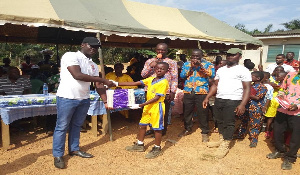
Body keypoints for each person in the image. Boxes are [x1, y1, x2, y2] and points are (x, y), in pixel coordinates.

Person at [52, 37, 114, 169]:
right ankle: (58, 155)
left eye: (96, 47)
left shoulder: (92, 64)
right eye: (91, 46)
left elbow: (97, 84)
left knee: (77, 125)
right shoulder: (71, 56)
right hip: (67, 97)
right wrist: (103, 80)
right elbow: (77, 75)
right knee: (62, 126)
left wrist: (105, 100)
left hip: (84, 99)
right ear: (83, 45)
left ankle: (74, 149)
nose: (94, 49)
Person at [202, 48, 251, 158]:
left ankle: (225, 145)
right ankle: (221, 139)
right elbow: (215, 85)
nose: (229, 57)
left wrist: (242, 104)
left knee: (229, 122)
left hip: (233, 100)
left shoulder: (243, 70)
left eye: (233, 55)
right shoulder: (221, 69)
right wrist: (207, 97)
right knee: (219, 121)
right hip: (219, 99)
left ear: (240, 56)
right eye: (228, 55)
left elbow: (247, 88)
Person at [119, 62, 169, 159]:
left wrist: (141, 104)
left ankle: (157, 148)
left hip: (156, 107)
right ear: (154, 69)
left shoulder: (163, 82)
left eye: (162, 69)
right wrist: (116, 83)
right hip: (148, 106)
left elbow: (157, 97)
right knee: (142, 125)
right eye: (157, 68)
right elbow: (135, 83)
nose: (159, 70)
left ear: (166, 71)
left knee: (157, 128)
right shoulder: (151, 79)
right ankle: (140, 144)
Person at [178, 49, 215, 142]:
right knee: (187, 111)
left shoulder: (208, 64)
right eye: (193, 56)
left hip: (202, 91)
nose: (195, 58)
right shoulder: (186, 64)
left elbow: (211, 75)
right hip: (188, 90)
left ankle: (205, 132)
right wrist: (191, 68)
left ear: (201, 56)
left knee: (203, 111)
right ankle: (187, 128)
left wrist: (200, 66)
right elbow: (182, 76)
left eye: (197, 56)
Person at [266, 70, 300, 170]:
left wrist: (297, 105)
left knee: (295, 136)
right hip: (283, 109)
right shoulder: (291, 74)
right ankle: (280, 150)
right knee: (277, 131)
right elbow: (283, 88)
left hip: (297, 113)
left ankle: (290, 158)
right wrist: (280, 96)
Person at [141, 43, 178, 136]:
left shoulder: (172, 62)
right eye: (158, 50)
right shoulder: (150, 61)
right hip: (150, 91)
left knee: (162, 112)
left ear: (167, 51)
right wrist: (151, 66)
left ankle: (162, 131)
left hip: (165, 91)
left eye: (163, 50)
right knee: (150, 110)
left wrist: (173, 92)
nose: (160, 52)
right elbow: (143, 75)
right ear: (155, 50)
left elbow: (174, 78)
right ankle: (152, 129)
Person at [236, 71, 267, 147]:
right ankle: (241, 135)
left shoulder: (263, 87)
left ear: (258, 78)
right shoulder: (249, 86)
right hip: (246, 107)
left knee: (255, 124)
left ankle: (253, 140)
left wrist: (247, 93)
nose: (250, 77)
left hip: (256, 108)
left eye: (252, 76)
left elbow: (257, 97)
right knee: (243, 121)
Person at [261, 72, 274, 139]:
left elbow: (269, 98)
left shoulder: (269, 87)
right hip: (258, 104)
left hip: (264, 104)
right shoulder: (259, 84)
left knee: (265, 116)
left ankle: (265, 129)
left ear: (266, 78)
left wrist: (265, 106)